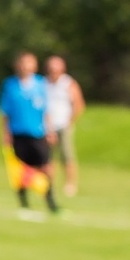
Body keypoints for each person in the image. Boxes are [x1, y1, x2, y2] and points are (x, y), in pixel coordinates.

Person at [0, 51, 57, 214]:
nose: (26, 66)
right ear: (18, 65)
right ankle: (24, 203)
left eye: (30, 62)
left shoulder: (40, 84)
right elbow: (5, 112)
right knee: (21, 171)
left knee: (45, 167)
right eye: (23, 62)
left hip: (37, 133)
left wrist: (50, 130)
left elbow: (46, 111)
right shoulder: (10, 85)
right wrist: (5, 133)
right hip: (18, 133)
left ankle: (51, 201)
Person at [44, 55, 84, 197]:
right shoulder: (43, 83)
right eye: (51, 67)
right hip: (47, 127)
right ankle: (49, 184)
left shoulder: (68, 83)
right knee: (47, 158)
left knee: (67, 156)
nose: (53, 70)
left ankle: (70, 184)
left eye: (56, 67)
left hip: (63, 125)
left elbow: (79, 105)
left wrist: (69, 122)